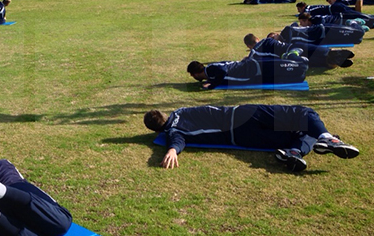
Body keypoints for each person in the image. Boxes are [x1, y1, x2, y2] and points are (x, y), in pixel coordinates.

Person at [144, 105, 359, 171]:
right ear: (164, 113)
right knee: (304, 114)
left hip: (244, 137)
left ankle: (295, 151)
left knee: (297, 132)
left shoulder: (173, 132)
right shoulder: (181, 113)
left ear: (157, 131)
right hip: (246, 114)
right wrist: (173, 148)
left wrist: (172, 149)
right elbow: (176, 140)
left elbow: (177, 141)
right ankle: (328, 138)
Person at [186, 55, 309, 89]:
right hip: (253, 68)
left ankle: (301, 63)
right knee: (283, 72)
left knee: (283, 67)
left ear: (195, 73)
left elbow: (223, 71)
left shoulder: (212, 70)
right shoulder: (212, 68)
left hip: (253, 70)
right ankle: (300, 71)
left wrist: (212, 85)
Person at [244, 33, 354, 69]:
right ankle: (333, 53)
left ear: (249, 45)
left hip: (289, 56)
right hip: (294, 46)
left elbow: (249, 62)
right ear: (257, 39)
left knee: (316, 62)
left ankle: (332, 61)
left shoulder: (255, 52)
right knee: (319, 51)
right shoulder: (267, 39)